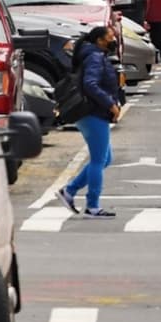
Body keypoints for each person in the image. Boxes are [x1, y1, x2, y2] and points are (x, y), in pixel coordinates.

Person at [54, 26, 121, 218]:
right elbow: (90, 84)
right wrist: (110, 104)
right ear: (100, 40)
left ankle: (69, 191)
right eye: (110, 37)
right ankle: (92, 206)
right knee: (99, 160)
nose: (114, 39)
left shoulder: (93, 54)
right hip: (93, 112)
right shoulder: (95, 57)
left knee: (105, 158)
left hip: (91, 112)